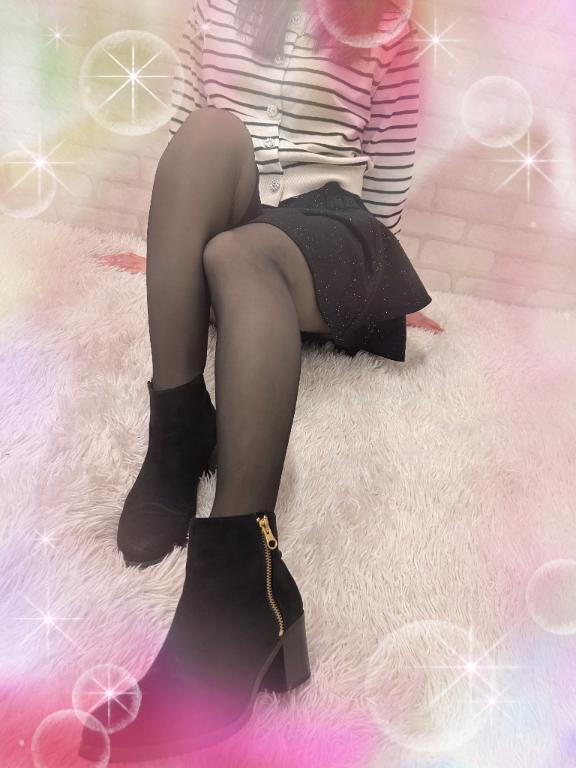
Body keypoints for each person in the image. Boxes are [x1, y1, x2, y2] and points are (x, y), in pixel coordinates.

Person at [81, 0, 439, 761]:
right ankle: (179, 428)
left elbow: (390, 183)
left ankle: (235, 590)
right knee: (209, 132)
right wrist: (165, 258)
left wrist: (366, 296)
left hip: (327, 235)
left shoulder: (388, 24)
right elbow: (182, 144)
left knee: (240, 255)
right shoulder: (215, 6)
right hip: (235, 213)